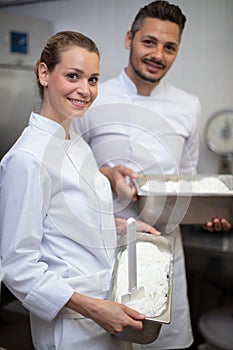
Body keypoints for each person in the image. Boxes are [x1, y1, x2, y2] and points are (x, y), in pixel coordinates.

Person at [73, 2, 231, 349]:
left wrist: (207, 215)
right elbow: (68, 174)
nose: (157, 54)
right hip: (101, 253)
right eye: (149, 42)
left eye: (169, 47)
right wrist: (104, 173)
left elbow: (187, 184)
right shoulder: (92, 97)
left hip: (164, 254)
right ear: (129, 39)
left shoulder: (188, 106)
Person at [0, 31, 159, 350]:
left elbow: (67, 222)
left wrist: (126, 228)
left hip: (107, 309)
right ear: (44, 73)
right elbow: (18, 267)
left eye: (93, 79)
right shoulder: (26, 160)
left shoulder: (74, 139)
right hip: (72, 326)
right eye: (73, 76)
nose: (85, 90)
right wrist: (97, 310)